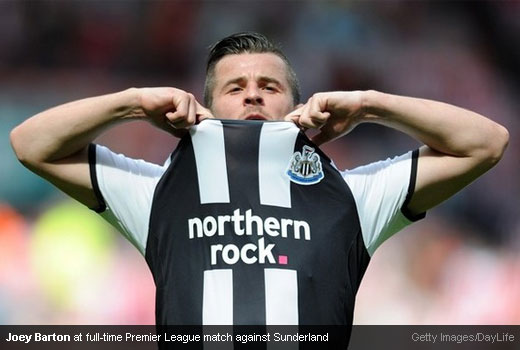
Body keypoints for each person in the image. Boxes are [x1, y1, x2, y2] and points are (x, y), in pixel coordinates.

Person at [10, 32, 508, 343]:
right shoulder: (156, 193)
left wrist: (373, 104)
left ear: (296, 106)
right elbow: (31, 144)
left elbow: (486, 143)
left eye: (269, 86)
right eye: (234, 86)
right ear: (205, 107)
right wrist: (132, 102)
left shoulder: (355, 197)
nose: (252, 93)